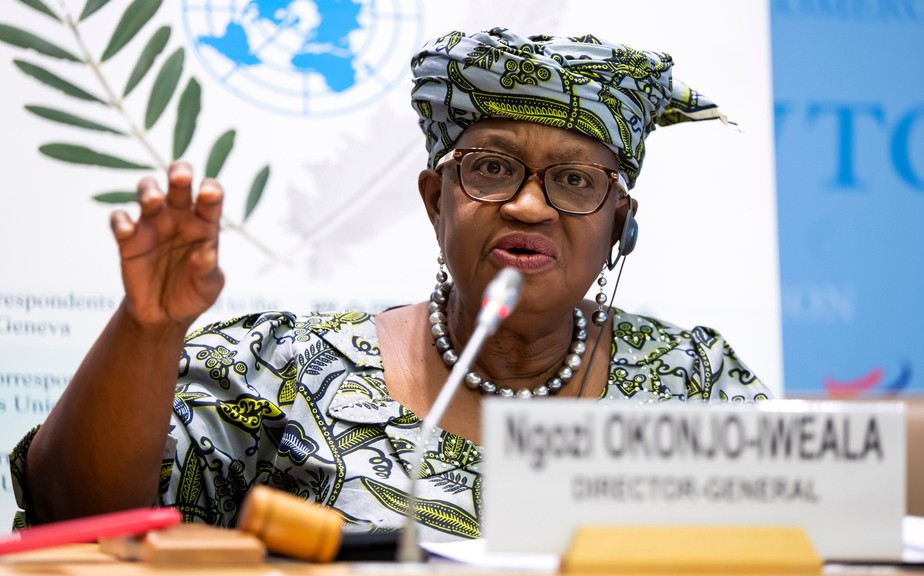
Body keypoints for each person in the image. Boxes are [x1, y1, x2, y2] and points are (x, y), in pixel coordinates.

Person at [9, 28, 770, 540]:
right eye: (492, 168)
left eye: (575, 180)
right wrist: (148, 327)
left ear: (618, 224)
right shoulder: (285, 374)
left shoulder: (692, 386)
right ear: (436, 202)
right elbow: (72, 518)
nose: (528, 205)